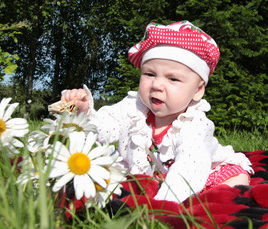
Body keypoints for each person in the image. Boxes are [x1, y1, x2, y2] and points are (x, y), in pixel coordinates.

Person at [60, 20, 253, 203]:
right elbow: (101, 130)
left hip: (201, 172)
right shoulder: (132, 107)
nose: (157, 85)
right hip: (156, 179)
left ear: (198, 90)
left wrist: (163, 206)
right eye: (150, 74)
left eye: (173, 79)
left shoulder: (195, 124)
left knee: (234, 182)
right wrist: (82, 113)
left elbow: (190, 169)